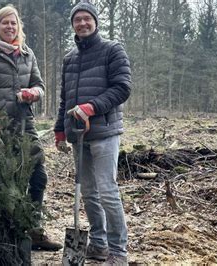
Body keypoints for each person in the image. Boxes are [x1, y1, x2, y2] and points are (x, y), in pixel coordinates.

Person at [0, 5, 62, 251]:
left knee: (38, 176)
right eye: (5, 23)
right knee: (0, 183)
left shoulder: (27, 53)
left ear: (18, 27)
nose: (10, 27)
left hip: (25, 125)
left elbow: (40, 85)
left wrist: (34, 93)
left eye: (14, 23)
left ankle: (34, 231)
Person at [54, 1, 131, 265]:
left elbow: (122, 88)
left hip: (105, 131)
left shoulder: (112, 50)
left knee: (107, 190)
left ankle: (118, 250)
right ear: (73, 24)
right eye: (78, 20)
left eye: (87, 18)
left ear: (95, 22)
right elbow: (65, 98)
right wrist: (59, 130)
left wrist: (91, 107)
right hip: (78, 134)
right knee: (88, 192)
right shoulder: (70, 58)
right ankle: (98, 244)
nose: (83, 23)